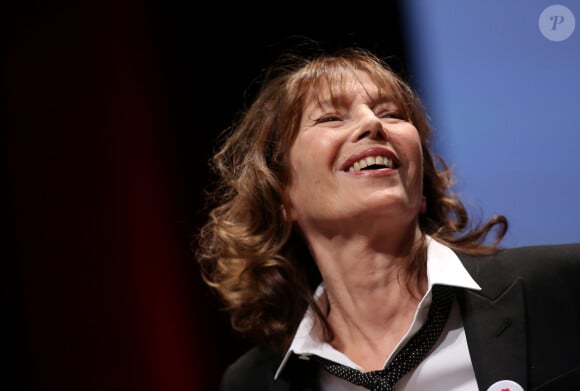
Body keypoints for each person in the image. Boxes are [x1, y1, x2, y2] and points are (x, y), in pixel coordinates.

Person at [195, 44, 580, 391]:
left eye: (391, 113)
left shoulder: (559, 287)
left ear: (422, 188)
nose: (372, 124)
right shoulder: (255, 382)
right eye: (330, 118)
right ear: (282, 197)